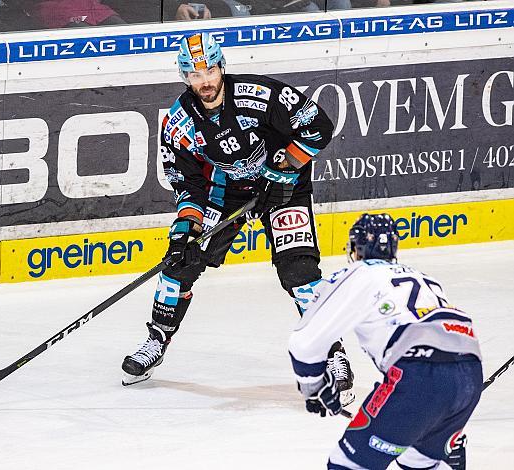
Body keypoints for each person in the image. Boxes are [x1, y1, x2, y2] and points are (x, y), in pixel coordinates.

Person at [121, 32, 354, 403]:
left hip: (284, 185)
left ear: (221, 66)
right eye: (195, 75)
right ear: (184, 77)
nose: (206, 81)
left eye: (210, 70)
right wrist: (185, 231)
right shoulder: (179, 124)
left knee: (299, 272)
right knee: (180, 263)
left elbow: (318, 126)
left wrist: (283, 171)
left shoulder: (259, 95)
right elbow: (188, 184)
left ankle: (333, 353)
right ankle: (157, 339)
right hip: (224, 191)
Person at [289, 213, 482, 470]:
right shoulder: (426, 279)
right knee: (416, 459)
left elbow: (305, 343)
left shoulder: (359, 273)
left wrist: (313, 386)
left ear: (356, 249)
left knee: (347, 464)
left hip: (419, 376)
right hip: (469, 374)